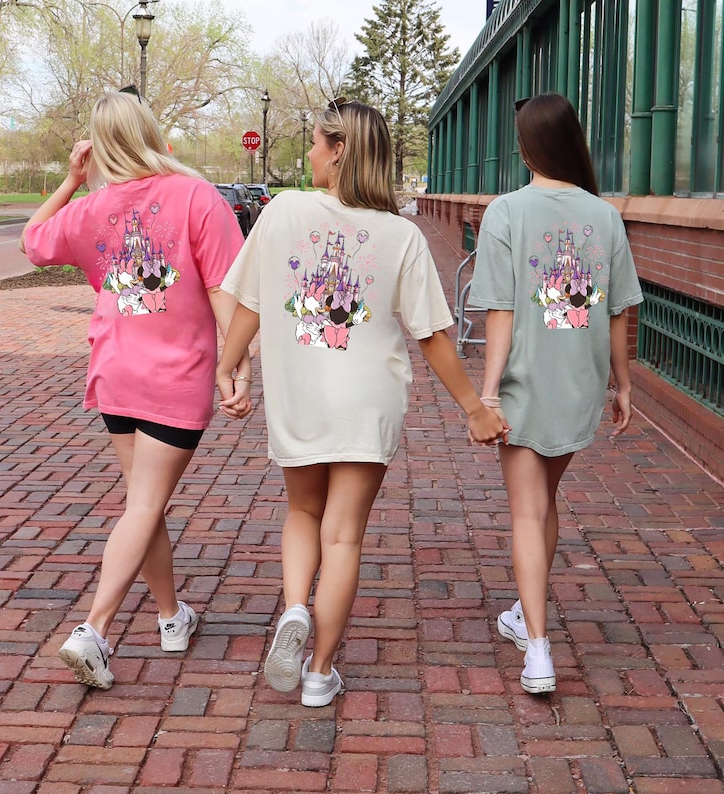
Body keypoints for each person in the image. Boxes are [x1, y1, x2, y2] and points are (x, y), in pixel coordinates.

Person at [215, 98, 506, 707]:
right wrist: (474, 408)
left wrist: (229, 364)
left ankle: (296, 607)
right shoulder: (401, 235)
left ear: (339, 149)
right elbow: (432, 336)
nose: (310, 154)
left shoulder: (283, 210)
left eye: (316, 143)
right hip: (367, 401)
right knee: (344, 537)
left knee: (303, 512)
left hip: (300, 396)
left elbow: (250, 303)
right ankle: (320, 673)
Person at [19, 91, 251, 689]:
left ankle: (172, 616)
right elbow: (226, 288)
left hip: (116, 370)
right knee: (145, 504)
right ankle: (93, 630)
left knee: (144, 504)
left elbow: (33, 239)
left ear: (99, 146)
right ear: (149, 131)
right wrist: (238, 363)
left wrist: (72, 180)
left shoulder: (91, 207)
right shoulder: (196, 195)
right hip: (176, 375)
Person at [469, 92, 644, 694]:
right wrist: (623, 385)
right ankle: (525, 614)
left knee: (527, 509)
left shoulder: (506, 212)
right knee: (544, 500)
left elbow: (499, 311)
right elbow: (619, 313)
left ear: (526, 147)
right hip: (579, 384)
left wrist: (488, 394)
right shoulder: (605, 216)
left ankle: (539, 650)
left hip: (523, 383)